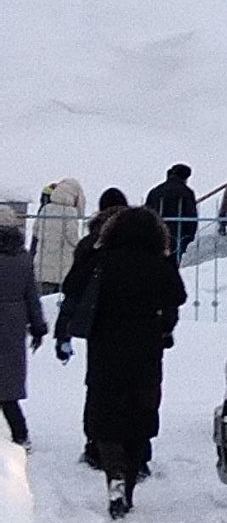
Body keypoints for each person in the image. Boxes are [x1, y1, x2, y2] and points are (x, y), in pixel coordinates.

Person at [84, 204, 185, 519]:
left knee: (105, 417)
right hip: (146, 352)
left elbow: (74, 287)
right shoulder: (158, 264)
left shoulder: (102, 261)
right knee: (139, 417)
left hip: (105, 350)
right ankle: (129, 483)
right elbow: (177, 295)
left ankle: (113, 473)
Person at [55, 186, 129, 466]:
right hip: (138, 329)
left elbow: (73, 288)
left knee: (98, 386)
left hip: (99, 326)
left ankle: (97, 446)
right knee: (134, 387)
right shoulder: (144, 244)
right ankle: (134, 450)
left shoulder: (91, 244)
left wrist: (63, 330)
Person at [0, 204, 45, 446]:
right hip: (13, 322)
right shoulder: (23, 258)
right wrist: (38, 327)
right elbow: (32, 297)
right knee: (6, 384)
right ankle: (20, 433)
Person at [30, 178, 84, 294]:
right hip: (62, 268)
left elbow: (36, 232)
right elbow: (72, 238)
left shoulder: (45, 209)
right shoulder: (70, 212)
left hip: (42, 267)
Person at [144, 163, 198, 259]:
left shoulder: (155, 191)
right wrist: (189, 237)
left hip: (156, 235)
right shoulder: (186, 192)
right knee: (172, 265)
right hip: (177, 234)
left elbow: (146, 214)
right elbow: (191, 217)